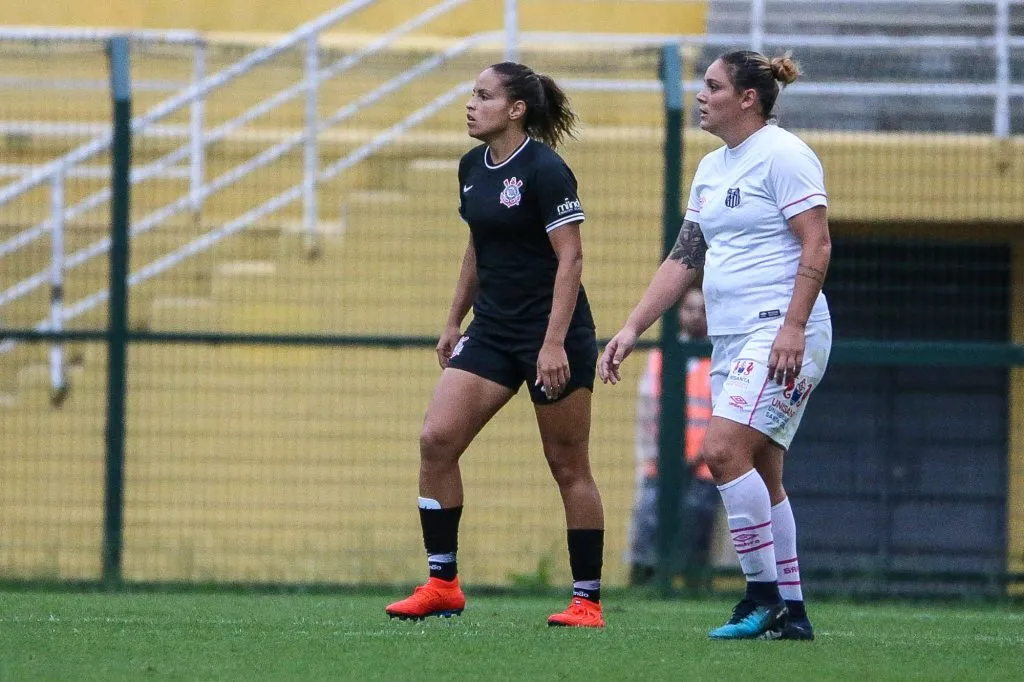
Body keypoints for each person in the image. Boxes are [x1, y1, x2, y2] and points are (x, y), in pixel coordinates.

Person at [599, 50, 831, 641]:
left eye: (713, 86)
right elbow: (685, 258)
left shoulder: (784, 155)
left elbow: (818, 244)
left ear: (747, 98)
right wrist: (632, 327)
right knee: (765, 472)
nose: (701, 96)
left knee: (722, 450)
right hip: (732, 339)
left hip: (780, 330)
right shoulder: (711, 167)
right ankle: (794, 612)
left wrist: (793, 327)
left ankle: (761, 597)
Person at [385, 61, 606, 628]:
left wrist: (554, 343)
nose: (470, 104)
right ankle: (442, 583)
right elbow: (478, 246)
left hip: (552, 335)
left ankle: (586, 600)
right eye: (471, 95)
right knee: (436, 440)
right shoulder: (470, 167)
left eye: (483, 96)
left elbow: (571, 258)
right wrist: (453, 319)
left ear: (515, 110)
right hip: (493, 331)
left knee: (568, 465)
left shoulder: (546, 170)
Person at [627, 288, 719, 588]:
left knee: (699, 528)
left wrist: (699, 456)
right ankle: (643, 582)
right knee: (648, 525)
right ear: (679, 313)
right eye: (689, 308)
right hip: (661, 463)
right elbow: (646, 410)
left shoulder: (717, 359)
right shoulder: (660, 355)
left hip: (704, 466)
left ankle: (695, 584)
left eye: (703, 309)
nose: (695, 315)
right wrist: (652, 453)